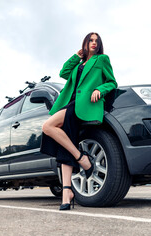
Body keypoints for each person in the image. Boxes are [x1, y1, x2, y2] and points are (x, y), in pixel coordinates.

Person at [41, 32, 117, 210]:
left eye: (96, 41)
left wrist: (100, 88)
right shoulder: (79, 64)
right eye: (90, 40)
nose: (93, 43)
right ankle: (67, 191)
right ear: (85, 43)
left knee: (48, 126)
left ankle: (81, 159)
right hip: (70, 104)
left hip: (83, 105)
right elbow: (64, 72)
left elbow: (112, 82)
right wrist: (76, 56)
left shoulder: (102, 60)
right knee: (65, 142)